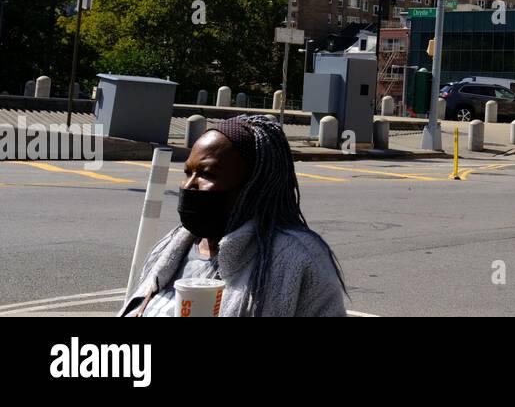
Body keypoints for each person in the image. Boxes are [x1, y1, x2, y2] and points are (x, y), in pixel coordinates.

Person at [120, 114, 347, 317]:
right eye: (188, 172)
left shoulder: (296, 258)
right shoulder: (175, 244)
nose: (189, 185)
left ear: (253, 185)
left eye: (207, 174)